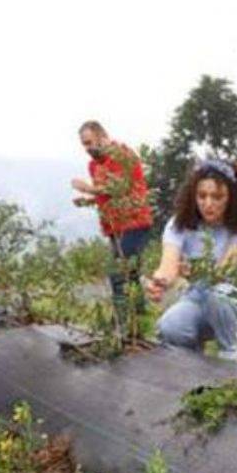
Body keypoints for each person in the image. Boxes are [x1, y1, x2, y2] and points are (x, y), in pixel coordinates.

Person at [146, 159, 237, 364]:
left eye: (217, 197)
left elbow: (226, 270)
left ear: (231, 197)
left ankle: (231, 358)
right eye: (202, 196)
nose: (208, 203)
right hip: (199, 298)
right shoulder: (178, 224)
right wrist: (159, 282)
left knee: (221, 294)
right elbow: (168, 266)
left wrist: (195, 271)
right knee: (170, 328)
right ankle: (194, 368)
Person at [71, 120, 153, 333]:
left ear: (102, 137)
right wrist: (88, 200)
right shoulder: (94, 165)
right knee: (129, 274)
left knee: (119, 273)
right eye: (84, 144)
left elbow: (119, 188)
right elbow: (106, 195)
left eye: (89, 142)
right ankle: (138, 322)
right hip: (114, 226)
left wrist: (89, 189)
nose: (87, 148)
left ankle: (122, 323)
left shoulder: (121, 155)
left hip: (135, 222)